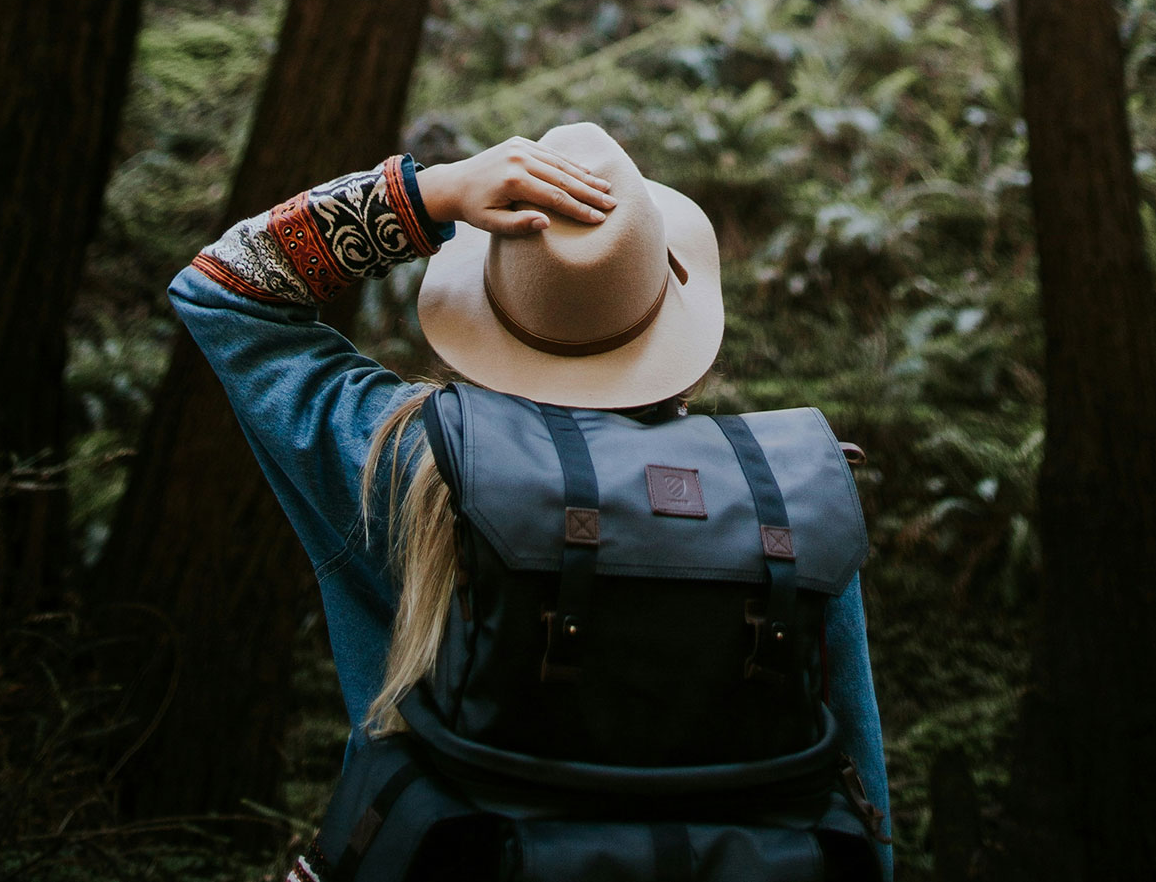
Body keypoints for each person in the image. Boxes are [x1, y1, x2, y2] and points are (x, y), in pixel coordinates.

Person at [171, 122, 892, 879]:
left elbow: (224, 288)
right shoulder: (782, 494)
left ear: (490, 308)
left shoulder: (412, 467)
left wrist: (428, 193)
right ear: (668, 299)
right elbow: (857, 788)